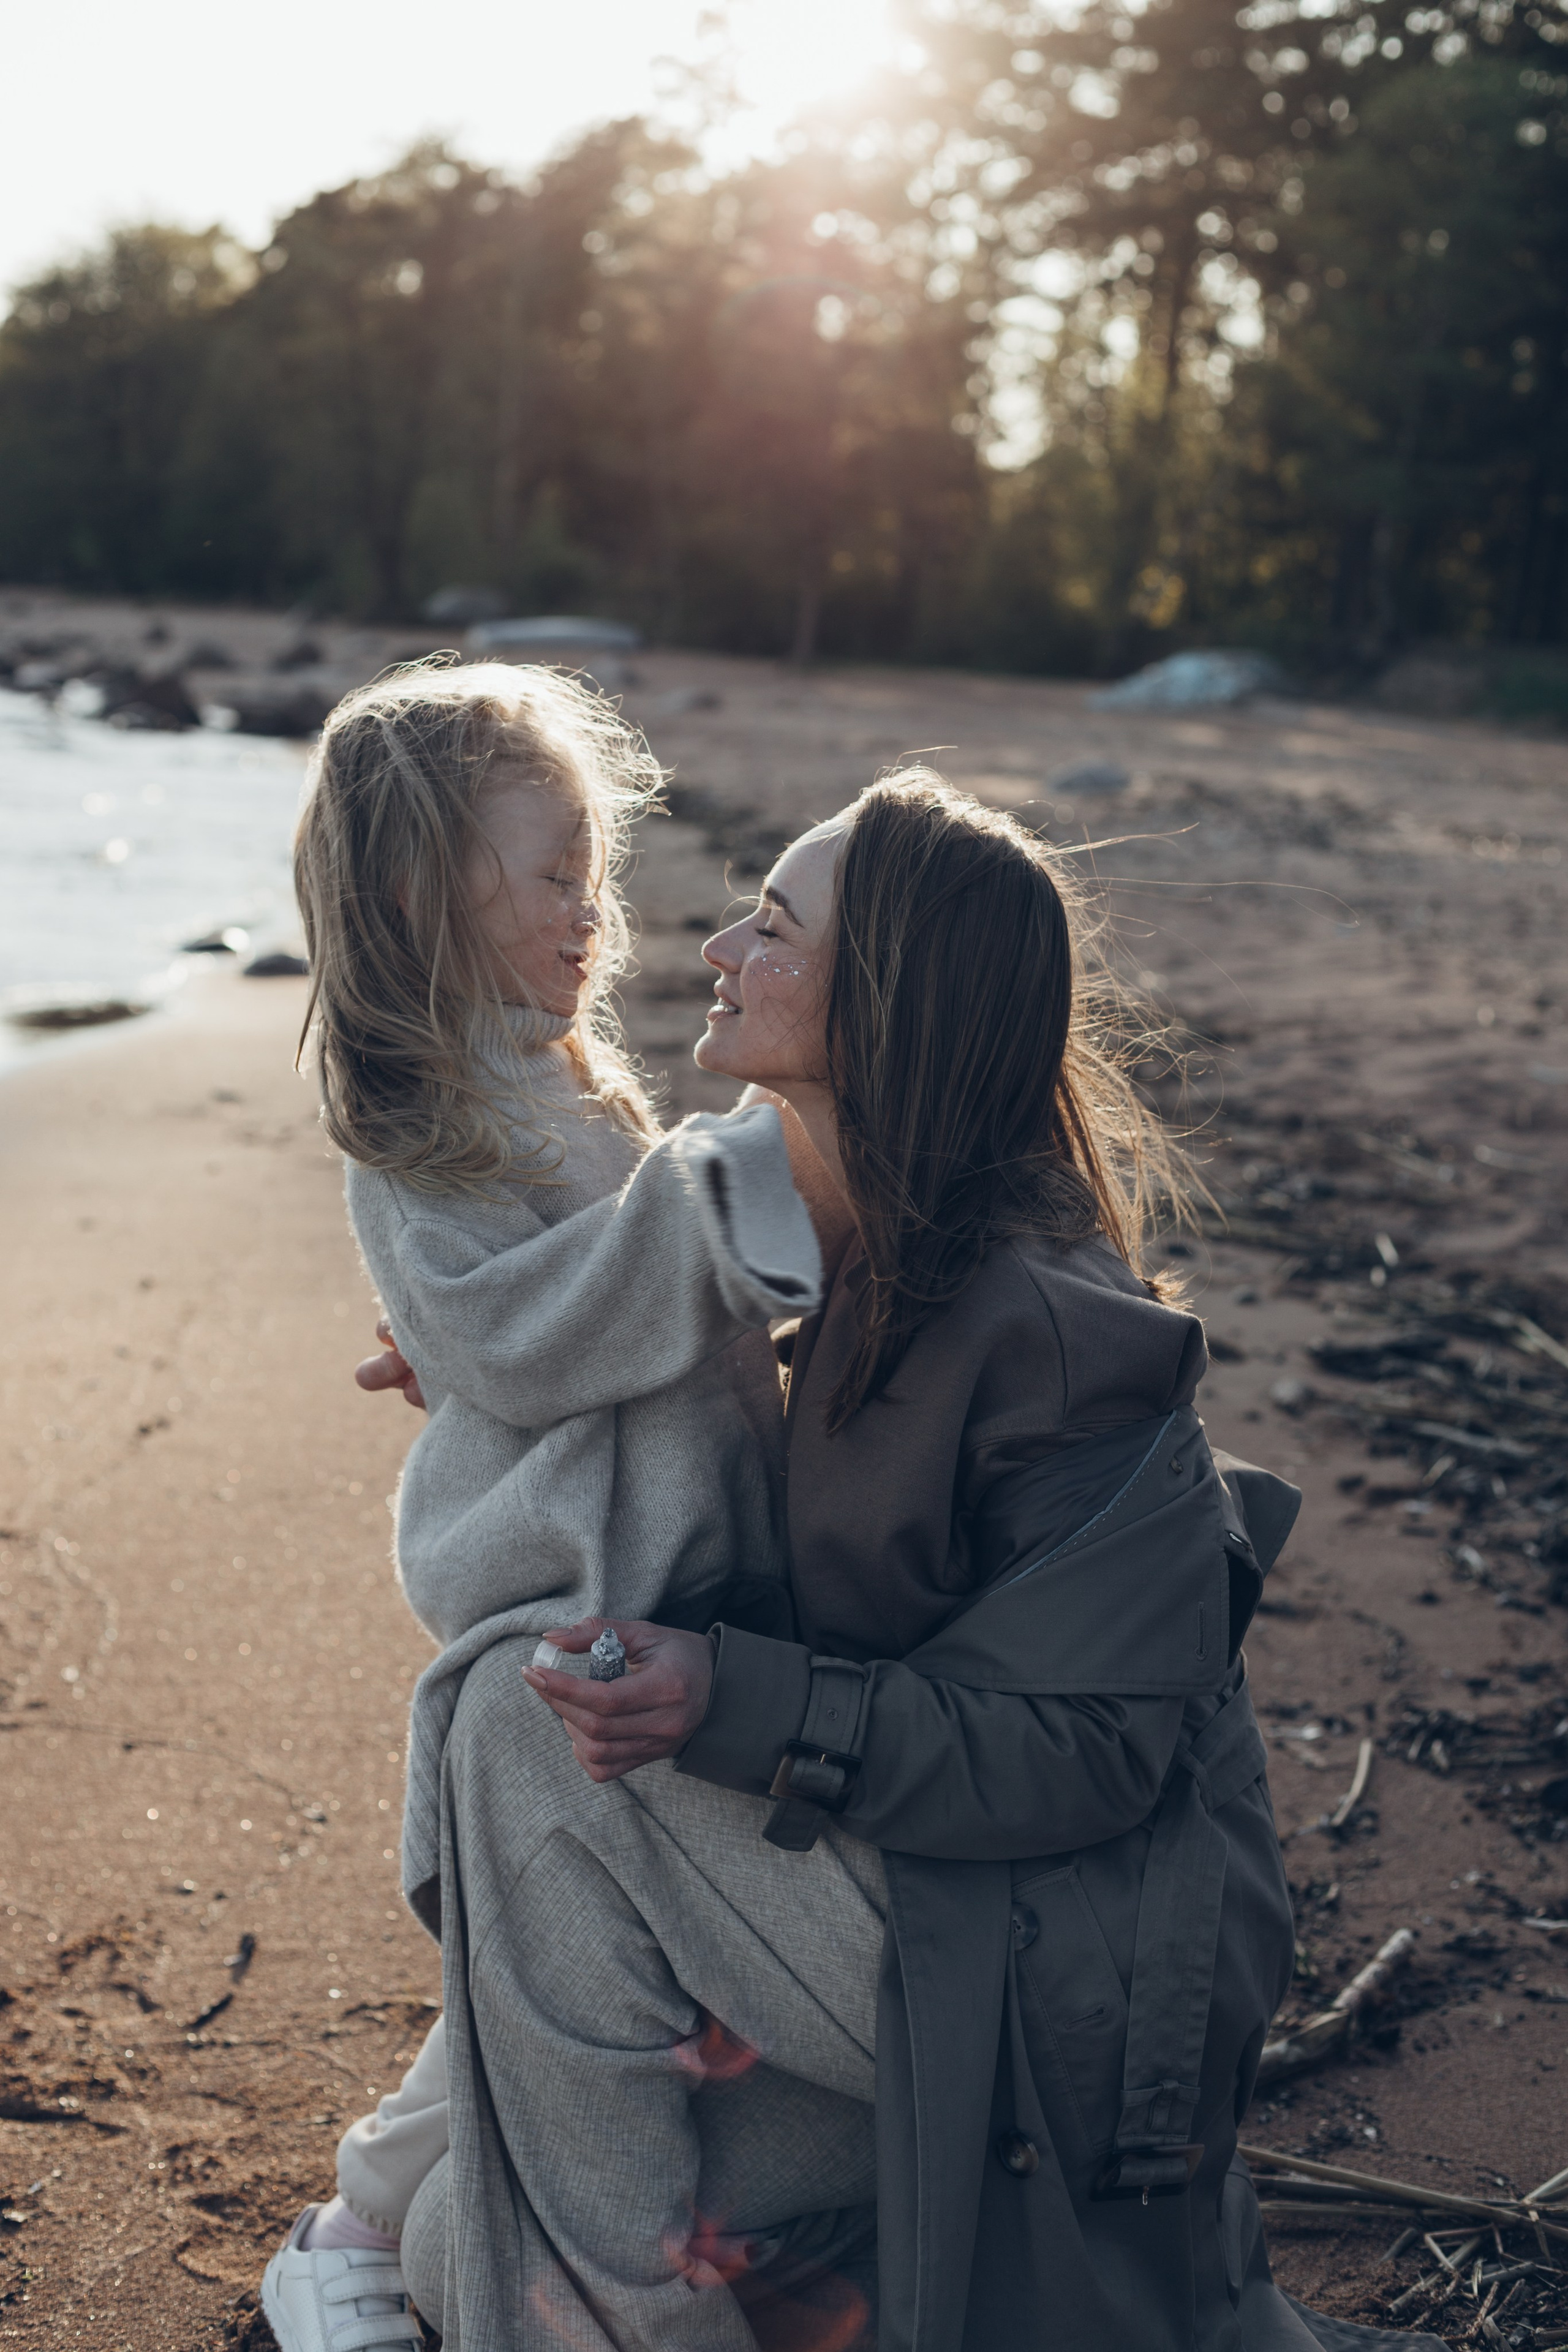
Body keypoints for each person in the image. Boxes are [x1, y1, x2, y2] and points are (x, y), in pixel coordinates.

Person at [377, 775, 1449, 2350]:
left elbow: (1091, 1752)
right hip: (933, 1911)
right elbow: (707, 1410)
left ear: (881, 998)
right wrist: (489, 1365)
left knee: (514, 1724)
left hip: (1059, 1981)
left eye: (774, 926)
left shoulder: (1055, 1327)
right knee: (456, 2238)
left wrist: (732, 1697)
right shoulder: (870, 1241)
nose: (721, 946)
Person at [262, 660, 839, 2352]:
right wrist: (716, 1202)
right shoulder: (415, 1115)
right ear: (416, 896)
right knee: (546, 1945)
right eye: (552, 875)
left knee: (566, 1963)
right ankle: (357, 2226)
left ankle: (394, 2211)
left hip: (674, 1568)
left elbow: (618, 1314)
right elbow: (506, 1327)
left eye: (598, 872)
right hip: (559, 1590)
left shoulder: (567, 1076)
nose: (594, 911)